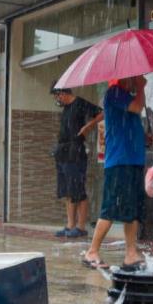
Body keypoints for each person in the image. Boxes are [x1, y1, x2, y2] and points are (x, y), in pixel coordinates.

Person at [82, 76, 147, 271]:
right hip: (120, 161)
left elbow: (130, 119)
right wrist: (142, 88)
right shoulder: (115, 92)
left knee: (131, 210)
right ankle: (92, 251)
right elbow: (136, 108)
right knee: (111, 207)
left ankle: (131, 253)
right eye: (136, 76)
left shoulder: (126, 94)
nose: (139, 78)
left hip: (133, 159)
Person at [51, 85, 104, 238]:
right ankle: (70, 225)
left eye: (57, 95)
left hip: (76, 151)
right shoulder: (66, 108)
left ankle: (81, 227)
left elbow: (101, 113)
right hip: (63, 152)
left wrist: (88, 127)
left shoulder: (80, 103)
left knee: (78, 189)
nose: (57, 99)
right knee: (67, 190)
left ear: (62, 93)